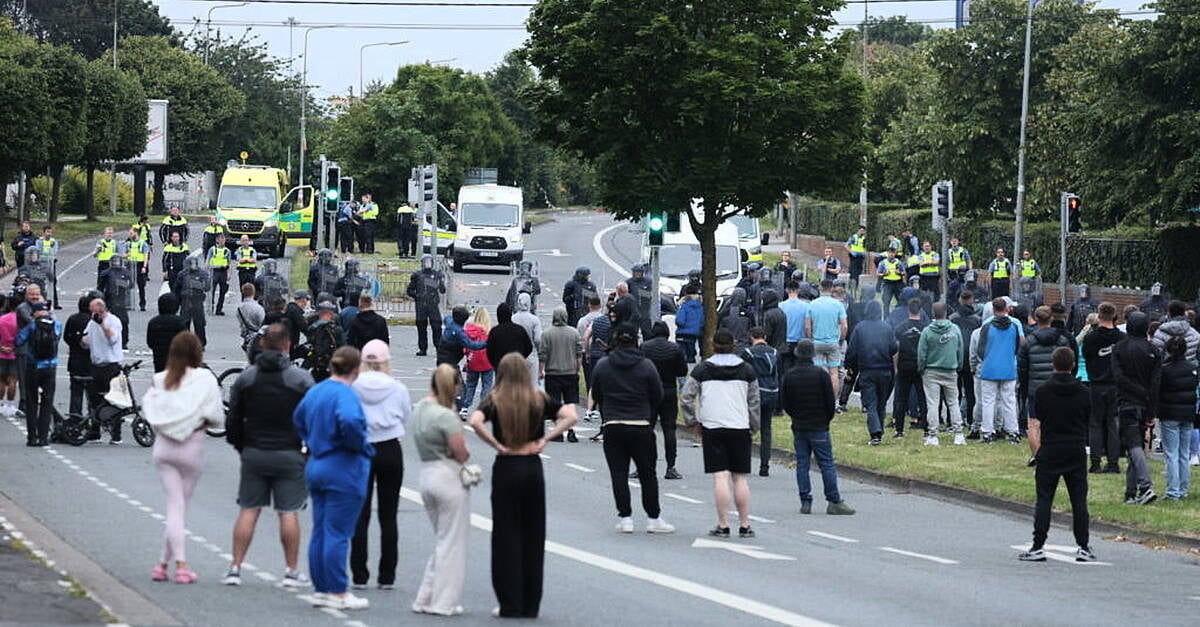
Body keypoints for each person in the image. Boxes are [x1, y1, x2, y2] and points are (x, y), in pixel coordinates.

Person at [468, 353, 578, 619]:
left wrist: (496, 444)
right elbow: (570, 415)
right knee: (533, 534)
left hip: (507, 465)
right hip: (532, 466)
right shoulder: (537, 398)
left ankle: (510, 602)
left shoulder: (495, 399)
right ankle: (531, 603)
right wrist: (547, 438)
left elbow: (474, 421)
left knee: (506, 534)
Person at [223, 324, 314, 589]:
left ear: (262, 345)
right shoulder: (300, 380)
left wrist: (241, 445)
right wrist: (307, 450)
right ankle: (292, 570)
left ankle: (235, 567)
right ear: (287, 345)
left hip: (254, 450)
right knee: (288, 512)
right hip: (289, 451)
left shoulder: (247, 378)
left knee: (248, 509)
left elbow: (234, 417)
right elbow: (312, 418)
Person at [292, 346, 373, 610]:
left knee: (321, 529)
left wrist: (311, 439)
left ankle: (322, 588)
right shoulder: (346, 394)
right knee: (338, 532)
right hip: (342, 465)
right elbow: (350, 421)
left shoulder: (317, 390)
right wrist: (360, 445)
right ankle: (338, 590)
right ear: (356, 369)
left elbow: (298, 419)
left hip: (317, 461)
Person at [142, 332, 225, 583]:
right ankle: (180, 564)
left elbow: (150, 410)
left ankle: (163, 563)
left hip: (164, 448)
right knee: (179, 508)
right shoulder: (205, 379)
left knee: (174, 507)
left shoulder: (160, 379)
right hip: (191, 448)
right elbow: (216, 417)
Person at [588, 323, 674, 531]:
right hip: (640, 424)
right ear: (636, 341)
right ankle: (653, 518)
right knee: (647, 473)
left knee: (618, 473)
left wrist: (607, 408)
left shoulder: (603, 365)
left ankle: (625, 517)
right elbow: (658, 395)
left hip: (613, 424)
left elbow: (596, 393)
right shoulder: (646, 366)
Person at [680, 329, 761, 538]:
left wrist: (693, 422)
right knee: (740, 478)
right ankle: (745, 523)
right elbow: (754, 401)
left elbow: (686, 397)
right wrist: (753, 425)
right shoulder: (747, 370)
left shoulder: (702, 370)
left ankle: (723, 524)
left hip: (713, 427)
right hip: (739, 426)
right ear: (734, 344)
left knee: (720, 476)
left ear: (712, 344)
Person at [1018, 347, 1095, 562]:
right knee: (1079, 500)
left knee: (1044, 498)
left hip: (1051, 446)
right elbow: (1088, 417)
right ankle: (1083, 545)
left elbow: (1040, 416)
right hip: (1075, 447)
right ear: (1072, 365)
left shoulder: (1043, 391)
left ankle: (1038, 544)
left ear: (1053, 365)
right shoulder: (1083, 392)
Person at [347, 339, 411, 590]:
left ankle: (359, 573)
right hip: (389, 447)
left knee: (360, 513)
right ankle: (387, 575)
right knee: (388, 514)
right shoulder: (397, 388)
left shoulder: (353, 386)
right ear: (386, 362)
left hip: (362, 447)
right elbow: (406, 416)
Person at [410, 364, 471, 616]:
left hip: (426, 473)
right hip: (447, 475)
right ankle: (443, 601)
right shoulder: (446, 416)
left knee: (442, 539)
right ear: (452, 386)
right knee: (452, 544)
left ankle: (425, 596)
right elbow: (461, 452)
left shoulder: (421, 408)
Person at [780, 339, 856, 514]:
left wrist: (795, 416)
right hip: (819, 425)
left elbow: (786, 403)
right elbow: (830, 401)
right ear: (813, 354)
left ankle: (805, 500)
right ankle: (833, 500)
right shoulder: (820, 375)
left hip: (799, 425)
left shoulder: (790, 376)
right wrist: (826, 419)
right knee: (826, 464)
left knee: (802, 464)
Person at [1110, 311, 1162, 505]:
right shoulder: (1154, 351)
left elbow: (1118, 377)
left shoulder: (1120, 349)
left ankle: (1145, 485)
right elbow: (1156, 383)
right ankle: (1130, 492)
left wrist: (1138, 392)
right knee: (1136, 446)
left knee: (1133, 446)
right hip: (1145, 403)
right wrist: (1151, 410)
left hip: (1126, 402)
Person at [1020, 306, 1073, 458]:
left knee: (1034, 424)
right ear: (1051, 319)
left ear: (1036, 320)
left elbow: (1023, 369)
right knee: (1057, 422)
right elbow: (1069, 362)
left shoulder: (1028, 342)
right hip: (1057, 386)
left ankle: (1037, 456)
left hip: (1035, 387)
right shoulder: (1062, 340)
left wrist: (1024, 389)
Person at [638, 321, 688, 479]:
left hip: (648, 392)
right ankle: (670, 466)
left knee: (646, 429)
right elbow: (682, 370)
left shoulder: (645, 347)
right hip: (668, 391)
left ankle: (643, 465)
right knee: (669, 430)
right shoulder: (675, 349)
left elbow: (637, 367)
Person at [845, 300, 896, 445]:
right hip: (885, 370)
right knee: (881, 402)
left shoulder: (860, 328)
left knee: (870, 403)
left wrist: (849, 366)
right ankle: (879, 430)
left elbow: (852, 350)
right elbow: (893, 348)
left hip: (867, 370)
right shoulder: (886, 327)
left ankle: (875, 432)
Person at [1080, 302, 1124, 473]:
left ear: (1099, 315)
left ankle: (1095, 462)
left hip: (1096, 384)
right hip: (1114, 384)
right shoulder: (1121, 338)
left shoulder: (1091, 337)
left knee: (1095, 423)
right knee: (1113, 423)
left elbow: (1086, 355)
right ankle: (1113, 462)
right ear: (1114, 316)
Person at [918, 302, 964, 446]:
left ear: (933, 313)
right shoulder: (955, 329)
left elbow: (921, 353)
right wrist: (958, 366)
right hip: (950, 370)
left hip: (931, 371)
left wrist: (922, 368)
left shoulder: (927, 331)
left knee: (932, 403)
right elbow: (960, 350)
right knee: (953, 402)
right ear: (946, 313)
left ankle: (932, 435)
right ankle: (958, 434)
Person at [977, 298, 1023, 443]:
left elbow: (980, 349)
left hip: (989, 367)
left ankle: (987, 432)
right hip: (1008, 367)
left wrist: (988, 357)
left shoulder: (987, 325)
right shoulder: (1014, 325)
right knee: (1009, 401)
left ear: (993, 309)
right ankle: (1013, 431)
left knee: (988, 401)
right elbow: (1017, 346)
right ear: (1007, 308)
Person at [15, 302, 60, 446]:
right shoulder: (56, 325)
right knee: (47, 402)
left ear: (34, 313)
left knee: (31, 401)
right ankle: (43, 437)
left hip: (33, 367)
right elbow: (57, 338)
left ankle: (32, 437)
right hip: (50, 367)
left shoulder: (32, 326)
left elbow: (18, 341)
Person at [82, 298, 123, 443]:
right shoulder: (92, 322)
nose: (90, 312)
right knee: (94, 400)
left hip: (110, 365)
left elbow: (113, 339)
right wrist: (82, 340)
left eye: (92, 309)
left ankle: (116, 434)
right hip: (96, 365)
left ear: (101, 309)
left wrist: (102, 325)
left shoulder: (114, 321)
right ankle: (95, 431)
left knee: (114, 400)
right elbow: (86, 341)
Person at [740, 327, 780, 476]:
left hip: (754, 393)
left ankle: (745, 463)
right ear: (764, 336)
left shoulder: (748, 353)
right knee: (766, 430)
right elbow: (778, 374)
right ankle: (765, 466)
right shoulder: (775, 353)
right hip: (771, 392)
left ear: (751, 337)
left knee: (747, 428)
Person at [540, 306, 583, 444]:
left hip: (553, 373)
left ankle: (558, 431)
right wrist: (577, 368)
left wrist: (541, 370)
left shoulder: (547, 334)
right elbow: (578, 354)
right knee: (570, 402)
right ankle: (571, 430)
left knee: (555, 404)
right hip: (570, 372)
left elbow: (543, 355)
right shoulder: (574, 333)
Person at [892, 298, 928, 438]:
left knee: (901, 398)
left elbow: (896, 350)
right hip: (920, 366)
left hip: (904, 365)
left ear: (908, 310)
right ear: (920, 310)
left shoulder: (900, 328)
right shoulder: (925, 328)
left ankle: (899, 430)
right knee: (922, 398)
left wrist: (896, 367)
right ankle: (926, 429)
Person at [805, 280, 848, 400]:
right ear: (831, 289)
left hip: (817, 342)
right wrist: (841, 340)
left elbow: (808, 326)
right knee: (834, 373)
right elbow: (844, 326)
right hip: (833, 342)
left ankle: (817, 398)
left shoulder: (812, 304)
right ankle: (833, 401)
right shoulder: (838, 305)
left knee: (817, 371)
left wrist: (810, 338)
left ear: (820, 288)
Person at [64, 292, 97, 420]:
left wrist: (74, 344)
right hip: (91, 361)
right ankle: (93, 419)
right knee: (92, 393)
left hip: (75, 359)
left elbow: (66, 337)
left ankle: (75, 418)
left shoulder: (72, 319)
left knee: (76, 391)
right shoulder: (93, 321)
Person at [408, 255, 445, 357]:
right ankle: (422, 348)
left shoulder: (436, 274)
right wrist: (417, 296)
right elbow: (409, 290)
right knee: (421, 327)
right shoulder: (417, 275)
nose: (428, 264)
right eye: (426, 262)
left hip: (433, 304)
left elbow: (442, 290)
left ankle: (438, 348)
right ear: (422, 263)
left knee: (437, 327)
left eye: (429, 262)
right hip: (421, 305)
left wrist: (441, 281)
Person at [485, 302, 534, 378]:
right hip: (517, 367)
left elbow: (489, 351)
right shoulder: (519, 330)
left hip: (500, 368)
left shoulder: (495, 331)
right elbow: (529, 347)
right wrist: (520, 358)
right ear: (510, 315)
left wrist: (495, 364)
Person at [462, 307, 495, 412]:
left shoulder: (469, 330)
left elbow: (466, 347)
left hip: (473, 360)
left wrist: (467, 357)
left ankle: (465, 406)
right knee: (487, 385)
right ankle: (484, 407)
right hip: (487, 361)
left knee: (470, 384)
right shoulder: (489, 331)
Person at [436, 305, 486, 372]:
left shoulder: (450, 321)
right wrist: (487, 342)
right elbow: (472, 345)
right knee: (457, 381)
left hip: (441, 354)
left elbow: (446, 318)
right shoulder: (459, 332)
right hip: (450, 359)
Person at [305, 302, 345, 382]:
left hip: (316, 366)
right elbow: (343, 348)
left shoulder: (312, 328)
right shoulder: (336, 330)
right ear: (331, 313)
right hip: (332, 367)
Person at [174, 256, 210, 347]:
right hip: (185, 301)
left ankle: (200, 344)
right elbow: (177, 288)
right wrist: (176, 302)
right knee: (184, 324)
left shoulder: (202, 273)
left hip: (197, 301)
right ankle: (185, 343)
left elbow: (207, 287)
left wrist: (197, 285)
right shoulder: (182, 274)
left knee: (199, 324)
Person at [512, 293, 543, 386]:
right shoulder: (534, 319)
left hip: (516, 354)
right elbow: (538, 339)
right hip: (531, 354)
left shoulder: (513, 318)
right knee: (532, 385)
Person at [120, 227, 151, 311]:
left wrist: (144, 267)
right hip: (130, 265)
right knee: (128, 285)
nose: (129, 235)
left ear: (136, 233)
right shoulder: (128, 244)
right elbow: (123, 255)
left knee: (141, 286)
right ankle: (128, 304)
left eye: (131, 233)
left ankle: (142, 304)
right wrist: (128, 254)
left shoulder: (142, 243)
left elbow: (146, 256)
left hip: (139, 265)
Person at [205, 233, 232, 315]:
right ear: (217, 240)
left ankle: (219, 309)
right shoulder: (212, 249)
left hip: (223, 271)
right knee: (212, 291)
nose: (221, 241)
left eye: (223, 239)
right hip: (214, 271)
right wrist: (207, 271)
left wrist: (229, 273)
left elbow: (229, 263)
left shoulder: (227, 251)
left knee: (223, 291)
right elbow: (208, 261)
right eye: (220, 239)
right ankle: (211, 307)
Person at [674, 291, 703, 363]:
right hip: (693, 334)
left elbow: (680, 321)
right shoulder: (701, 308)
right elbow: (702, 322)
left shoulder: (684, 307)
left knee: (681, 355)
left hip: (682, 333)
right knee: (691, 353)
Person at [876, 248, 906, 316]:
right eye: (890, 253)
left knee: (900, 301)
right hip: (887, 284)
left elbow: (904, 272)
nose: (891, 254)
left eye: (893, 253)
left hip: (898, 283)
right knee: (886, 302)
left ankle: (900, 315)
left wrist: (900, 273)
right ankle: (886, 318)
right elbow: (878, 274)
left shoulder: (899, 262)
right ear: (887, 253)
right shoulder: (883, 263)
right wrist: (884, 274)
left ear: (895, 254)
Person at [845, 226, 867, 292]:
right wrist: (851, 252)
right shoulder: (854, 237)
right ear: (858, 230)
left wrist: (864, 253)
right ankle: (850, 285)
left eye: (863, 231)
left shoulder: (863, 238)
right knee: (853, 271)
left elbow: (863, 247)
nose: (862, 232)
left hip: (860, 256)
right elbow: (846, 245)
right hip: (854, 257)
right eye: (861, 230)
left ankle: (856, 286)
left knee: (859, 271)